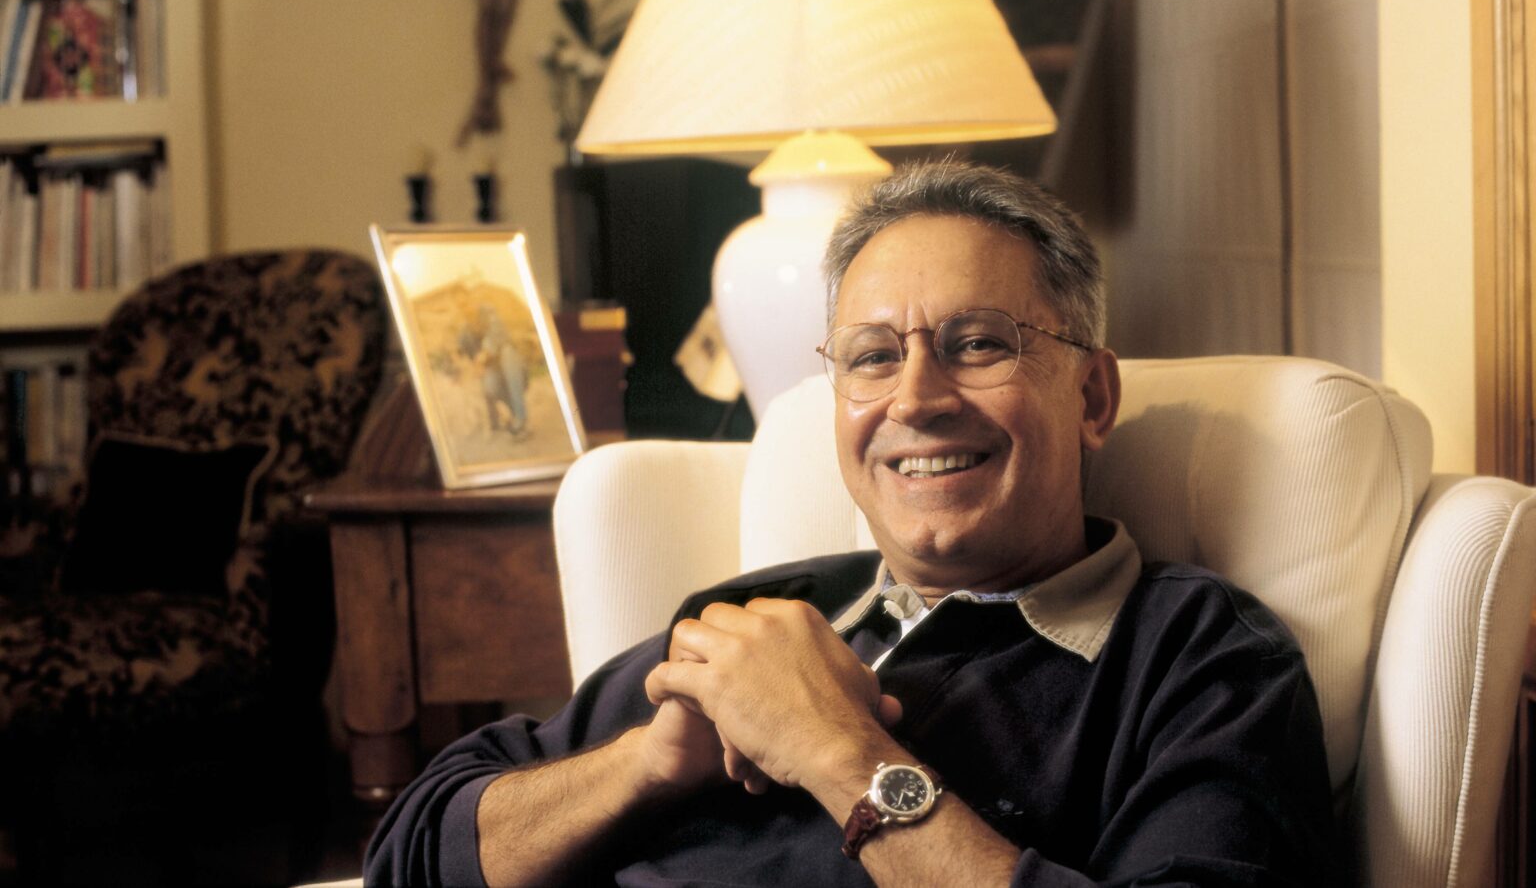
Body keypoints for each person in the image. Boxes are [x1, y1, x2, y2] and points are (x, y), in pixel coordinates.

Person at [365, 160, 1335, 886]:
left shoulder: (1200, 660)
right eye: (872, 356)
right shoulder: (757, 619)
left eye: (979, 345)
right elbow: (408, 854)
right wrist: (644, 766)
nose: (917, 397)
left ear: (1091, 395)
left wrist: (845, 757)